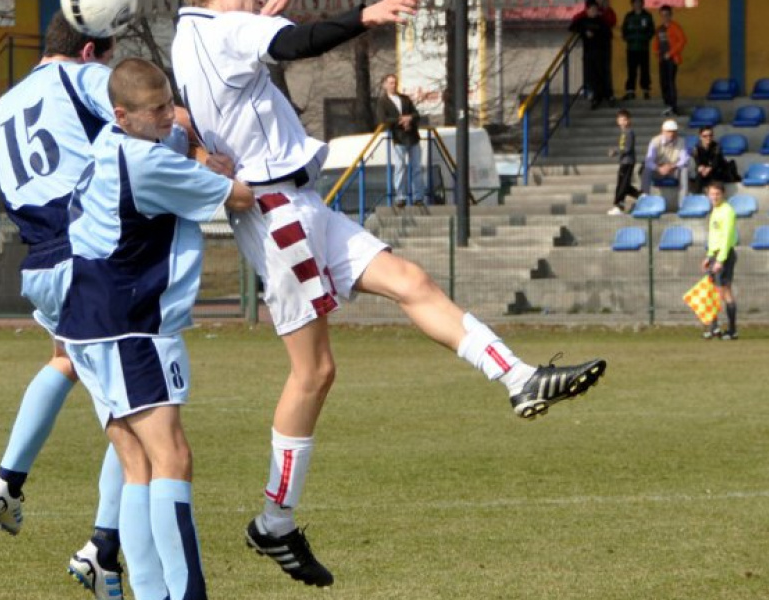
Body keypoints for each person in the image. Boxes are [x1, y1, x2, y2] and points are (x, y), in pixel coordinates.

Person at [172, 0, 607, 587]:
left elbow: (183, 109)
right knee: (314, 373)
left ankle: (519, 377)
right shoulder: (229, 29)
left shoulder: (188, 33)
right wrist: (362, 15)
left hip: (299, 204)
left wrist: (200, 149)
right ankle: (274, 521)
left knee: (411, 281)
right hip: (280, 216)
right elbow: (300, 44)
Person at [56, 56, 256, 600]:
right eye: (158, 110)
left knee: (137, 463)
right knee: (173, 457)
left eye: (170, 103)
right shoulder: (145, 163)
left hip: (87, 321)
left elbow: (173, 147)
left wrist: (187, 143)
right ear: (123, 114)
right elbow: (241, 197)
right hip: (130, 327)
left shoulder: (110, 143)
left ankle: (150, 594)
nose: (171, 115)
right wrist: (216, 169)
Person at [0, 14, 128, 599]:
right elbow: (137, 115)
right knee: (138, 414)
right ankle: (103, 549)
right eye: (108, 58)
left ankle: (8, 480)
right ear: (90, 50)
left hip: (40, 262)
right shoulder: (82, 78)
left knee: (66, 359)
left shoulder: (3, 108)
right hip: (87, 258)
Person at [374, 73, 424, 206]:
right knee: (400, 167)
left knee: (416, 167)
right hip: (398, 138)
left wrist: (410, 119)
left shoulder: (405, 99)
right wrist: (400, 121)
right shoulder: (383, 102)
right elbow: (383, 120)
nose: (393, 85)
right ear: (385, 85)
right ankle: (400, 197)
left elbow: (416, 114)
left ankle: (418, 197)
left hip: (413, 137)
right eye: (390, 83)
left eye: (395, 82)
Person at [702, 182, 738, 340]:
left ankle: (731, 330)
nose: (714, 197)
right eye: (712, 194)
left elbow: (726, 237)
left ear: (723, 194)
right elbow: (714, 236)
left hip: (724, 255)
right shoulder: (715, 210)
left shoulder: (728, 211)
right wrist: (709, 256)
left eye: (717, 194)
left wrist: (720, 260)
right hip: (714, 254)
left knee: (723, 291)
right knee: (713, 291)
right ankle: (715, 328)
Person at [570, 0, 615, 110]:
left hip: (601, 52)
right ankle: (596, 97)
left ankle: (608, 95)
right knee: (591, 75)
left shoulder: (602, 21)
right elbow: (572, 27)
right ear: (587, 10)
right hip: (589, 53)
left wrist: (597, 35)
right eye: (591, 9)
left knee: (603, 73)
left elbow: (609, 34)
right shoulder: (583, 21)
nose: (593, 11)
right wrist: (584, 32)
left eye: (595, 9)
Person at [641, 119, 689, 200]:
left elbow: (684, 159)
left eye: (674, 131)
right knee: (646, 170)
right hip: (658, 170)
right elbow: (649, 161)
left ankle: (683, 202)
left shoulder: (681, 141)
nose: (671, 134)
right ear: (663, 131)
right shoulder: (655, 141)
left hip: (673, 169)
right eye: (669, 131)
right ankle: (645, 198)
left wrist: (673, 166)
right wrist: (658, 168)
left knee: (684, 170)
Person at [653, 5, 685, 116]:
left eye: (667, 15)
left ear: (670, 15)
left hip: (672, 59)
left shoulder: (675, 27)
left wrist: (670, 53)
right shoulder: (659, 28)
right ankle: (667, 104)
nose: (665, 17)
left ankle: (673, 106)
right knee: (663, 82)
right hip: (662, 59)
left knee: (671, 82)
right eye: (662, 15)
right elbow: (656, 42)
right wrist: (656, 51)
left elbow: (682, 41)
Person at [620, 0, 655, 101]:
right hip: (631, 48)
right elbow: (624, 30)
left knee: (645, 70)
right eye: (635, 3)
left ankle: (646, 90)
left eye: (639, 2)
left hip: (643, 48)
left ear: (642, 4)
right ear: (632, 4)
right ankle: (630, 91)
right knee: (631, 70)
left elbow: (651, 30)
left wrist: (644, 38)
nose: (637, 5)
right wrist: (628, 38)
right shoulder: (629, 16)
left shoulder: (647, 15)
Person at [608, 109, 640, 215]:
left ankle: (619, 205)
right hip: (624, 161)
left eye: (624, 120)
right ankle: (640, 196)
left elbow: (628, 148)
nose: (622, 122)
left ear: (628, 121)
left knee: (622, 185)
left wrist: (616, 151)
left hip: (628, 161)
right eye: (620, 120)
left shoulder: (629, 132)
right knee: (624, 184)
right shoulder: (623, 133)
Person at [690, 127, 729, 194]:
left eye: (710, 135)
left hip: (716, 171)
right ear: (700, 137)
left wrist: (709, 169)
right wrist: (700, 168)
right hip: (703, 172)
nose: (708, 138)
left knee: (715, 177)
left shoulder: (717, 146)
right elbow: (697, 161)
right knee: (699, 176)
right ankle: (696, 196)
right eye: (705, 136)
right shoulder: (696, 148)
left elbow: (716, 161)